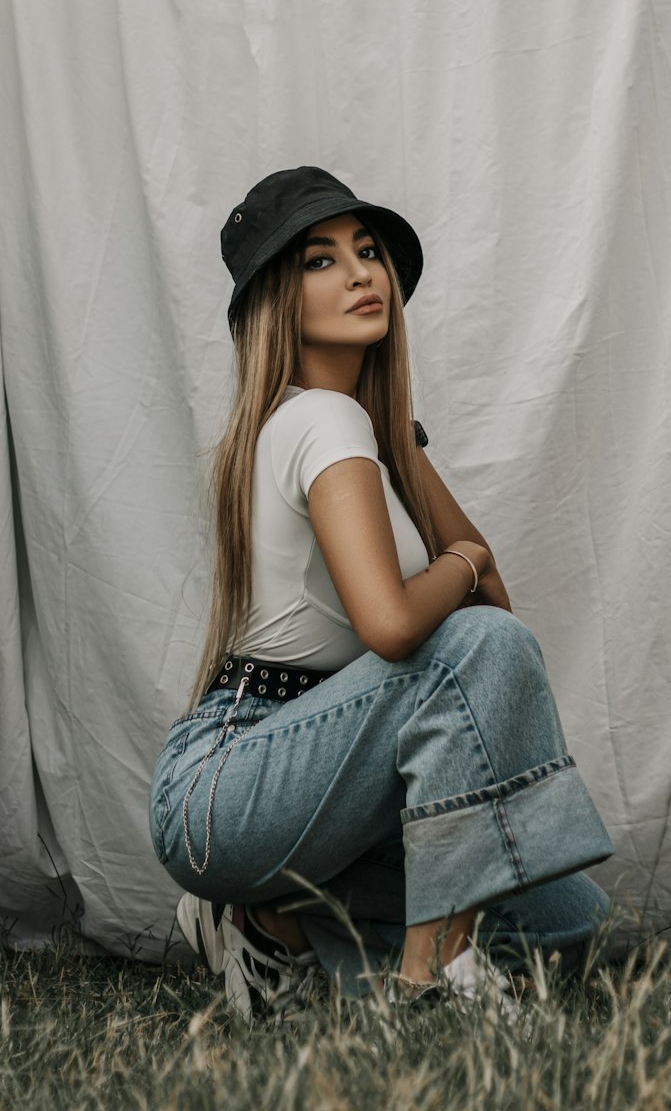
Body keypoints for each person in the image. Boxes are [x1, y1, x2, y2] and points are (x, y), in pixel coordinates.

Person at [149, 166, 614, 1023]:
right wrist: (463, 562)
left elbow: (491, 601)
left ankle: (267, 924)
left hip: (322, 778)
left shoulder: (362, 428)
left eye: (367, 253)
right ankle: (427, 986)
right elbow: (402, 624)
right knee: (482, 651)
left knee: (567, 919)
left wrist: (405, 442)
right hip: (233, 779)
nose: (363, 273)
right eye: (321, 261)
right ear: (276, 302)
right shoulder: (318, 422)